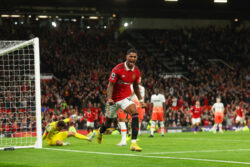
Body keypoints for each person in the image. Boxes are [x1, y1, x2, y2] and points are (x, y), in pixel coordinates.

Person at [96, 48, 145, 152]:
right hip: (113, 100)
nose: (132, 58)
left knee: (135, 112)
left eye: (134, 57)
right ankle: (100, 132)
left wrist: (141, 100)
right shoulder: (117, 69)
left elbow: (136, 87)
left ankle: (133, 143)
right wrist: (109, 98)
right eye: (130, 56)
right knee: (108, 124)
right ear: (126, 57)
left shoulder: (136, 71)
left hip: (124, 98)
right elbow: (111, 84)